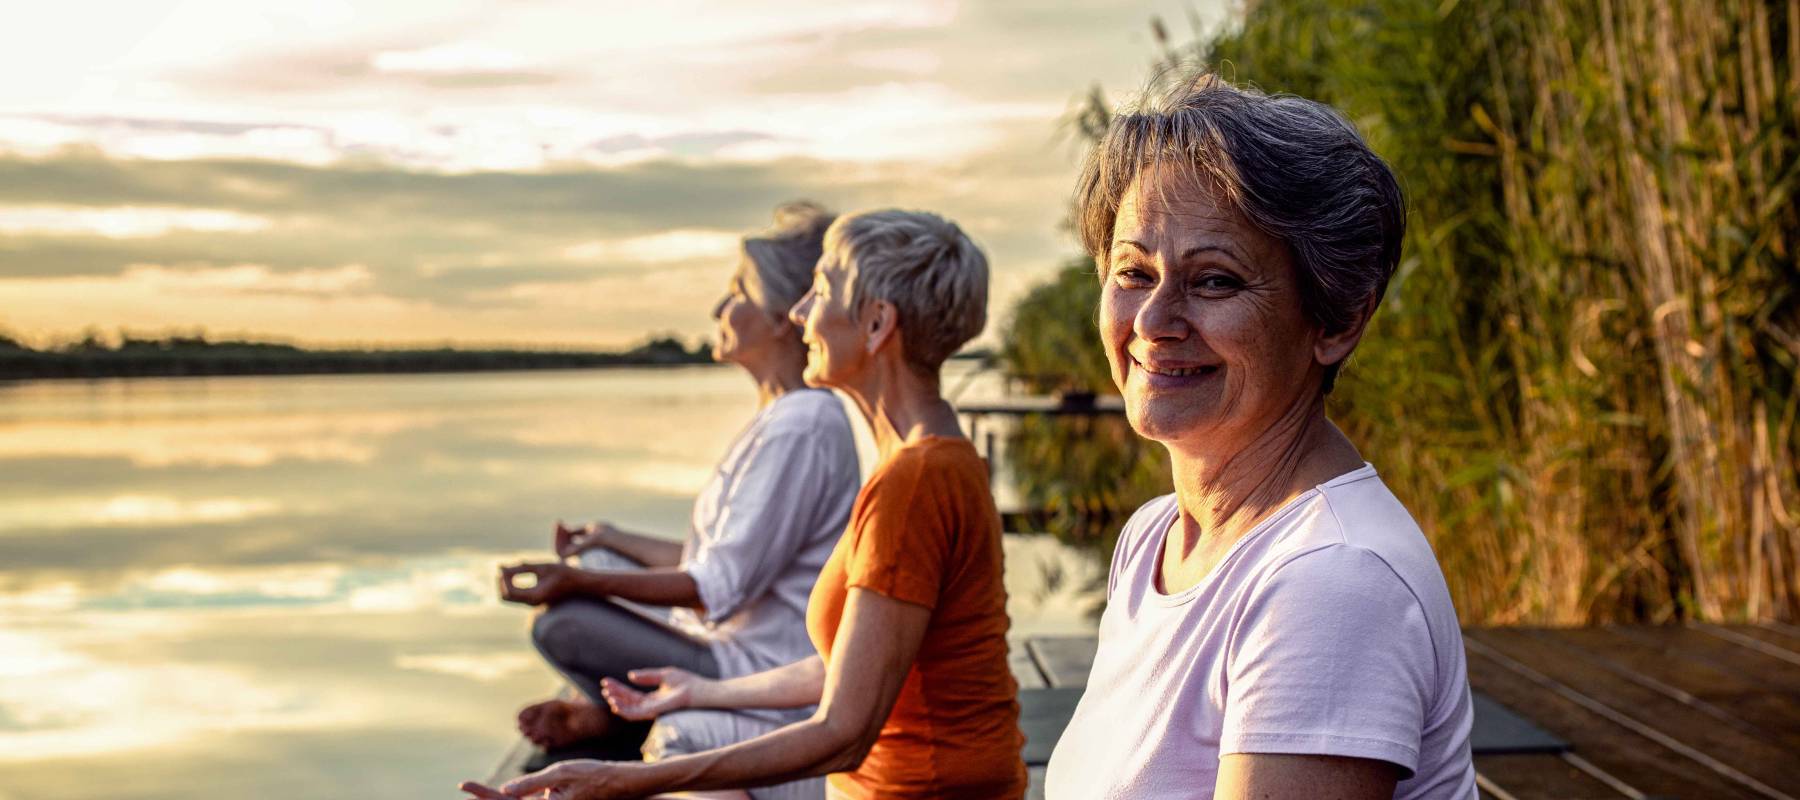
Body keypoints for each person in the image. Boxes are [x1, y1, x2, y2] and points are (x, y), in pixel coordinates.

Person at [462, 209, 1026, 800]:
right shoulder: (926, 461)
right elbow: (841, 668)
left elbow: (844, 733)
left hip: (920, 790)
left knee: (672, 751)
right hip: (918, 784)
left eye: (823, 290)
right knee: (679, 726)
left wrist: (625, 778)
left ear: (877, 323)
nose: (802, 312)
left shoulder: (915, 479)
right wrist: (700, 690)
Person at [1042, 72, 1477, 799]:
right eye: (1133, 271)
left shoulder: (1331, 578)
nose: (1153, 320)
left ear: (1337, 321)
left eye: (1214, 281)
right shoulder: (1153, 538)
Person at [495, 202, 860, 800]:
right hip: (727, 635)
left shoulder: (803, 426)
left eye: (736, 291)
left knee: (563, 622)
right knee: (599, 565)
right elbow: (708, 558)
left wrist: (572, 585)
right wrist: (607, 541)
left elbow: (712, 586)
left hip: (757, 667)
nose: (719, 309)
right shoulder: (780, 417)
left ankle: (612, 716)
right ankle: (610, 710)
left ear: (777, 318)